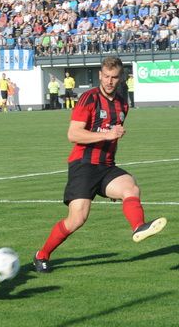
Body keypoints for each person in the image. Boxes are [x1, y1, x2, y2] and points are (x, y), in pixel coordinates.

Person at [33, 57, 167, 273]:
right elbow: (73, 134)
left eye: (114, 77)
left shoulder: (123, 102)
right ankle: (42, 254)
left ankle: (138, 227)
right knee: (77, 219)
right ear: (100, 75)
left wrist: (113, 135)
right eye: (106, 76)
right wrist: (107, 135)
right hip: (83, 165)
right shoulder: (89, 98)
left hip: (106, 166)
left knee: (130, 188)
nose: (110, 81)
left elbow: (112, 133)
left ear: (120, 77)